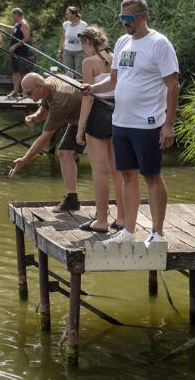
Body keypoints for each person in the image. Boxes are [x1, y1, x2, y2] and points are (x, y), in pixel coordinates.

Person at [85, 0, 179, 246]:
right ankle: (128, 231)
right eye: (121, 18)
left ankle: (157, 233)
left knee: (151, 175)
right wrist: (92, 88)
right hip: (121, 122)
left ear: (143, 16)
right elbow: (113, 81)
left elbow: (172, 86)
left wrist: (168, 125)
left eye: (129, 18)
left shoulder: (159, 43)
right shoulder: (122, 42)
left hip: (148, 123)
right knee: (126, 175)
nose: (125, 23)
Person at [9, 73, 84, 212]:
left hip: (90, 116)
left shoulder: (60, 99)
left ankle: (100, 208)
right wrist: (35, 117)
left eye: (29, 93)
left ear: (40, 86)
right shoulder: (48, 84)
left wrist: (24, 160)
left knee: (100, 163)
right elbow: (45, 107)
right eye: (25, 93)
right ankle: (72, 199)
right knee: (64, 152)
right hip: (76, 119)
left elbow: (45, 137)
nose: (28, 96)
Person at [75, 26, 125, 233]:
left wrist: (80, 128)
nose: (82, 49)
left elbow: (88, 97)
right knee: (119, 171)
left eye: (82, 44)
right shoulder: (117, 58)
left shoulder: (89, 63)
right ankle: (122, 218)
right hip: (119, 112)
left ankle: (101, 220)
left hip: (98, 113)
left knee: (99, 171)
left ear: (88, 42)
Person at [0, 8, 31, 99]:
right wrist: (2, 25)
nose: (12, 17)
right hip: (15, 53)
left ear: (17, 14)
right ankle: (15, 91)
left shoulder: (24, 24)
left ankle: (25, 92)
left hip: (22, 53)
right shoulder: (17, 24)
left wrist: (15, 46)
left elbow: (27, 38)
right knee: (15, 72)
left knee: (23, 73)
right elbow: (13, 29)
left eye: (13, 15)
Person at [56, 6, 87, 77]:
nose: (67, 16)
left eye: (68, 14)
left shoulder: (83, 25)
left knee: (78, 73)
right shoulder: (65, 24)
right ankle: (70, 87)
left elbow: (85, 40)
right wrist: (59, 51)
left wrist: (86, 52)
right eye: (66, 14)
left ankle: (79, 87)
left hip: (79, 51)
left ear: (74, 14)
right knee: (68, 73)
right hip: (67, 51)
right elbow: (63, 38)